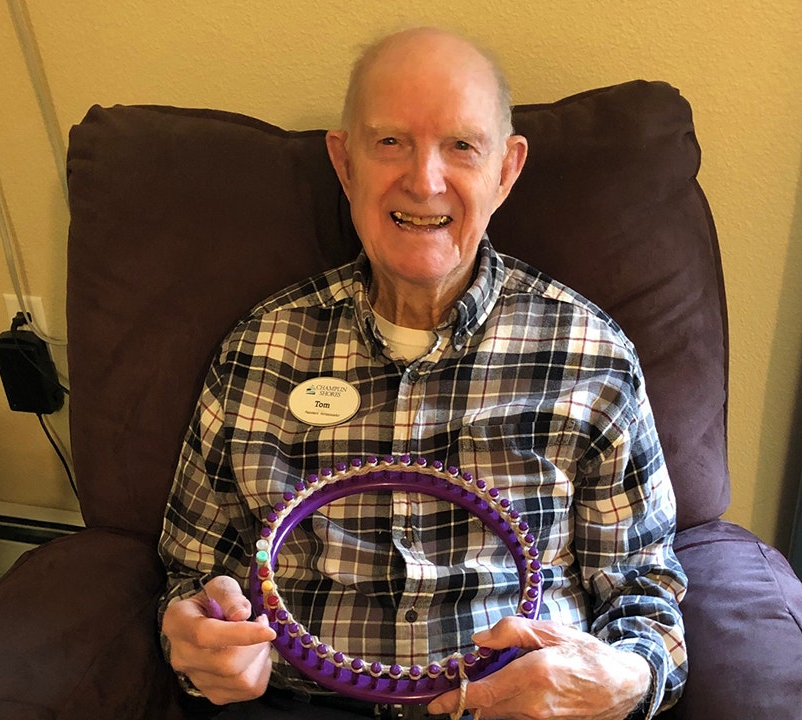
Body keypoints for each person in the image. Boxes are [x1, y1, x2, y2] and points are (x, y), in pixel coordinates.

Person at [158, 27, 687, 720]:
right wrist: (201, 634)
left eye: (461, 146)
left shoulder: (592, 355)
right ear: (344, 163)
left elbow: (645, 590)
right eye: (390, 143)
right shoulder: (257, 349)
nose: (424, 180)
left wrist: (627, 677)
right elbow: (192, 570)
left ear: (506, 169)